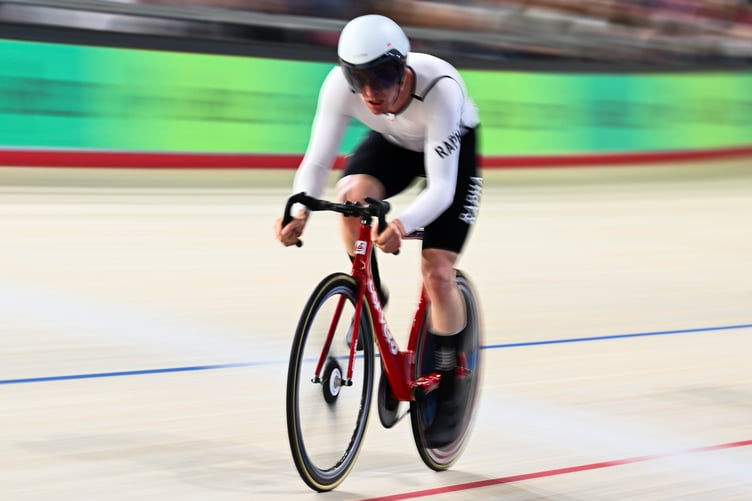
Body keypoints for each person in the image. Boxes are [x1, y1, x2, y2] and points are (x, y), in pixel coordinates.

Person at [274, 14, 482, 447]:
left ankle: (450, 380)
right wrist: (298, 208)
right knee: (349, 193)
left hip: (448, 148)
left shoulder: (440, 87)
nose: (370, 92)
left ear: (403, 68)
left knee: (438, 272)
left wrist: (405, 224)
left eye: (382, 79)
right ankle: (371, 293)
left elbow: (442, 187)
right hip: (394, 143)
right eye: (359, 80)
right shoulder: (339, 86)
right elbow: (315, 161)